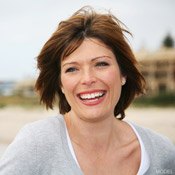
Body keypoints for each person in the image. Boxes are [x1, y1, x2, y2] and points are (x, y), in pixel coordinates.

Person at [0, 6, 175, 175]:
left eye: (101, 64)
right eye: (72, 69)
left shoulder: (162, 153)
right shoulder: (34, 146)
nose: (88, 79)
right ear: (60, 83)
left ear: (123, 74)